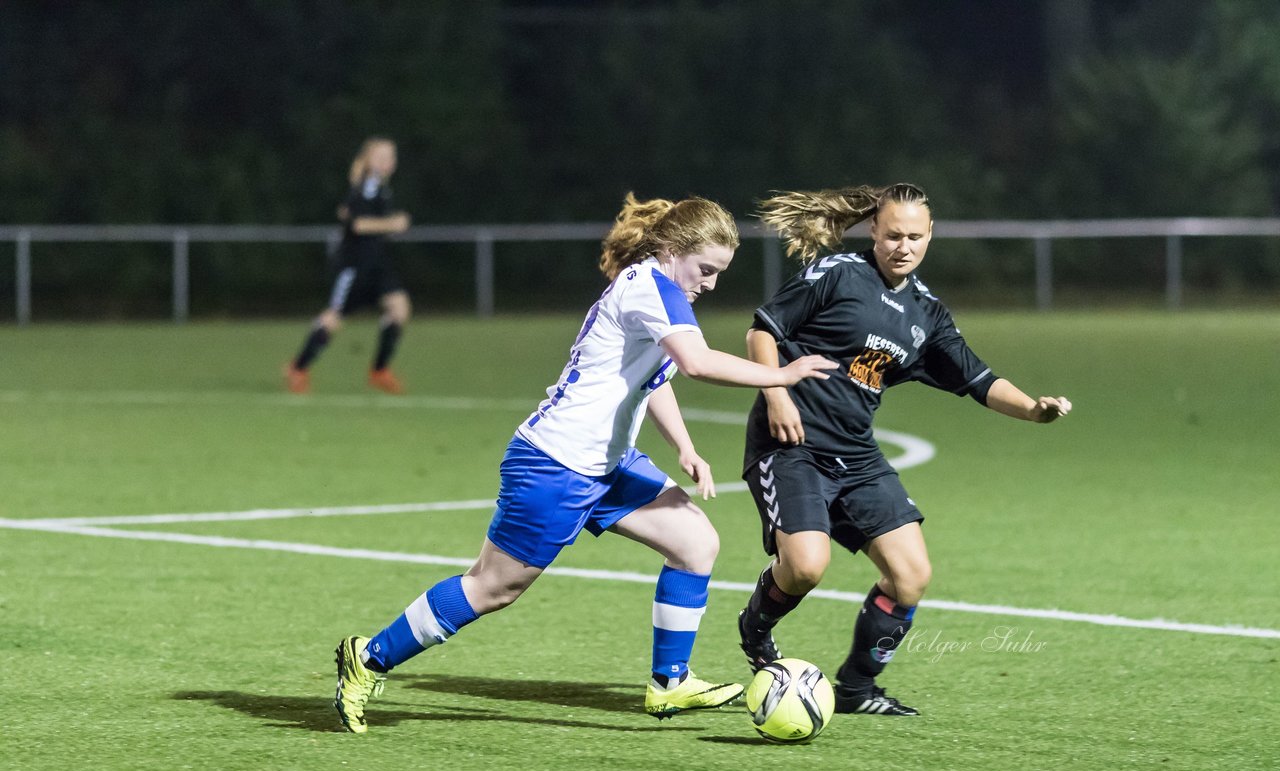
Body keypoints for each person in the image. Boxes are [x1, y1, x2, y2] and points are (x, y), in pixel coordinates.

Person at [333, 193, 838, 733]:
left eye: (718, 274)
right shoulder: (652, 288)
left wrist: (685, 447)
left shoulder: (653, 286)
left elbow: (657, 378)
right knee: (492, 588)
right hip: (555, 464)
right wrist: (781, 375)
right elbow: (695, 362)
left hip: (609, 464)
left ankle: (669, 684)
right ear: (672, 249)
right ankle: (367, 658)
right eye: (706, 269)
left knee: (695, 543)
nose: (710, 283)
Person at [736, 183, 1072, 716]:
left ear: (930, 235)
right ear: (874, 230)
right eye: (893, 235)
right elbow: (763, 331)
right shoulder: (839, 275)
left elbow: (978, 379)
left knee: (911, 576)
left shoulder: (926, 313)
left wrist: (1033, 409)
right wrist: (776, 394)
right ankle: (755, 628)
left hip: (858, 456)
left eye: (915, 236)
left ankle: (856, 688)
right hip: (792, 445)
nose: (903, 246)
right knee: (804, 567)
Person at [285, 137, 412, 394]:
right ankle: (298, 367)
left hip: (378, 265)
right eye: (383, 156)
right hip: (354, 266)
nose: (389, 162)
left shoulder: (379, 187)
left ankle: (379, 370)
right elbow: (356, 224)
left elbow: (350, 214)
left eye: (392, 157)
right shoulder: (367, 186)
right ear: (369, 160)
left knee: (399, 309)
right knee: (333, 318)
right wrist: (393, 224)